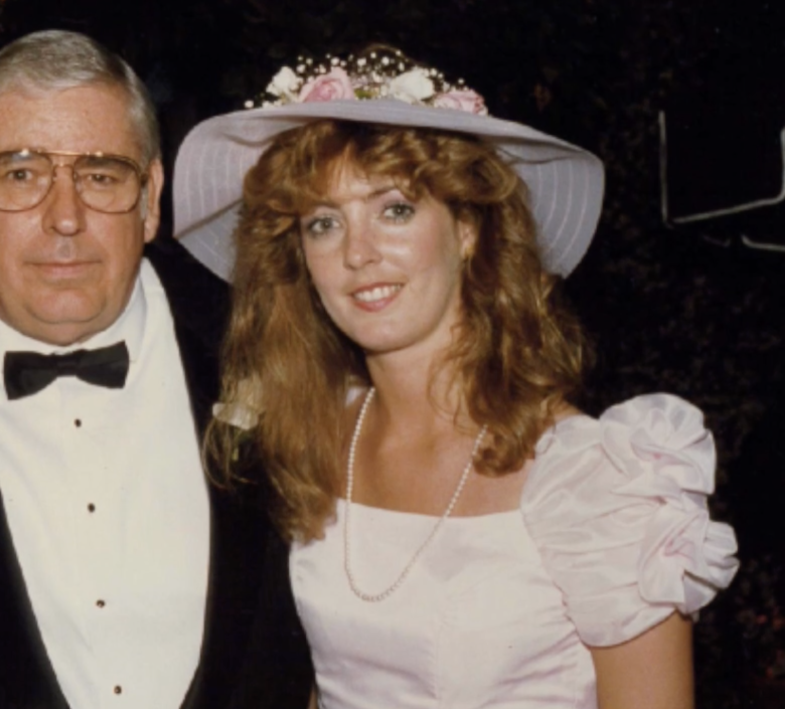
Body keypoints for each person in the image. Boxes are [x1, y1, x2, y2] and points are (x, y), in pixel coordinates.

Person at [173, 47, 740, 708]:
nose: (358, 253)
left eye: (395, 210)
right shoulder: (318, 436)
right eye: (324, 224)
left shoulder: (595, 480)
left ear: (467, 228)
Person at [0, 29, 314, 708]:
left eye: (100, 175)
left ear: (150, 196)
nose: (65, 218)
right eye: (21, 174)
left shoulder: (277, 345)